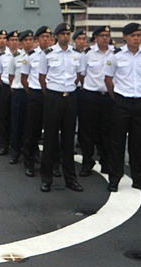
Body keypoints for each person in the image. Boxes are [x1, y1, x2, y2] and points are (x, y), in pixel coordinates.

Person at [104, 22, 141, 193]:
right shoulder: (116, 56)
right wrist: (117, 97)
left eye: (139, 35)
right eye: (133, 35)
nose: (136, 38)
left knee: (139, 142)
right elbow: (108, 79)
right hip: (121, 102)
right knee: (117, 142)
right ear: (125, 37)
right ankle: (114, 178)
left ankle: (139, 178)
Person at [38, 22, 84, 193]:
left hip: (70, 98)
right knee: (50, 140)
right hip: (53, 97)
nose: (66, 36)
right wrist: (50, 94)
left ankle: (71, 179)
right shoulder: (48, 53)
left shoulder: (77, 55)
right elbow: (42, 77)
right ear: (56, 36)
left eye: (68, 33)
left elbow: (79, 75)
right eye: (63, 33)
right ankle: (46, 179)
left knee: (68, 140)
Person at [77, 26, 114, 177]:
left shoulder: (115, 54)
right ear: (96, 38)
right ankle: (87, 162)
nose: (105, 38)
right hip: (91, 96)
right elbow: (81, 74)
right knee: (88, 132)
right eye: (102, 35)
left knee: (107, 132)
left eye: (107, 35)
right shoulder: (88, 54)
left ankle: (106, 162)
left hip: (108, 97)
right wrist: (89, 88)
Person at [21, 26, 53, 177]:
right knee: (32, 131)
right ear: (37, 40)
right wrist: (34, 93)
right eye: (43, 36)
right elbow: (24, 79)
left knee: (52, 132)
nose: (46, 39)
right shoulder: (30, 57)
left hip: (52, 95)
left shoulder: (55, 55)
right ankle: (29, 163)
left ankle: (53, 164)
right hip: (36, 95)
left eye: (48, 36)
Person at [6, 30, 33, 164]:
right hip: (19, 93)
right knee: (17, 124)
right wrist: (14, 87)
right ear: (22, 43)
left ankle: (31, 152)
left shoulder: (37, 56)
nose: (29, 42)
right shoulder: (16, 57)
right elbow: (11, 76)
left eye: (30, 39)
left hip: (33, 93)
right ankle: (15, 152)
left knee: (31, 125)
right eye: (26, 40)